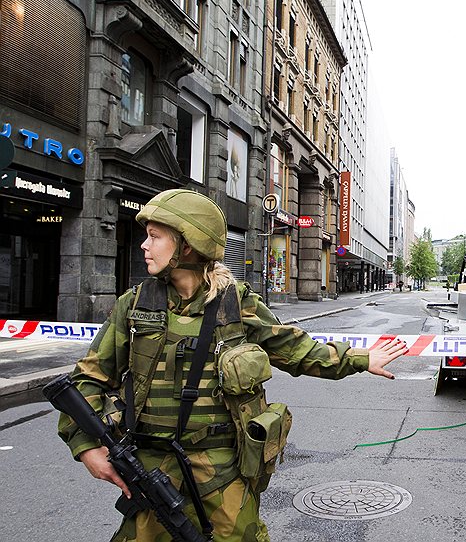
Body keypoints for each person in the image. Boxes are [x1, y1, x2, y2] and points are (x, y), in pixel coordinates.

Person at [56, 189, 407, 541]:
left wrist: (360, 358)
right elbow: (88, 378)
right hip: (149, 467)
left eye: (155, 236)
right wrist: (86, 446)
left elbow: (296, 350)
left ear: (187, 245)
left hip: (222, 471)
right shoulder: (134, 306)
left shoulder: (236, 304)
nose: (144, 245)